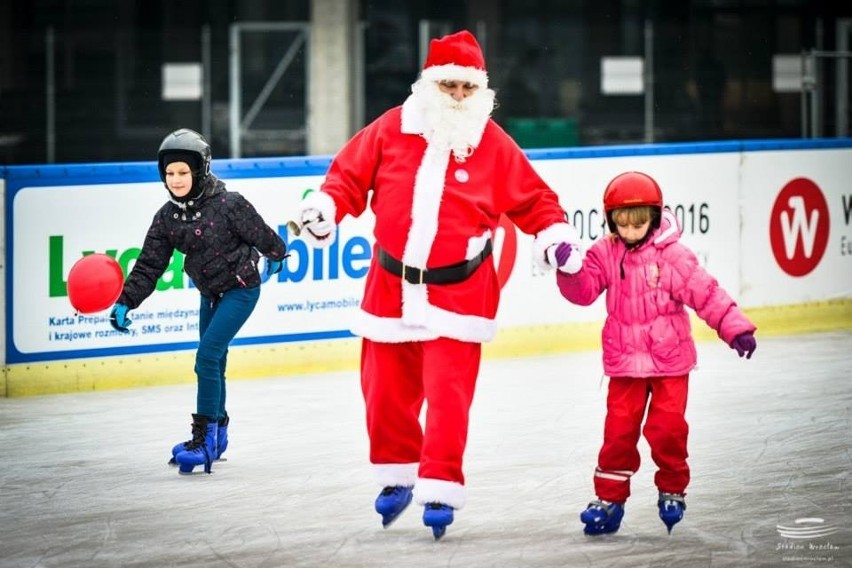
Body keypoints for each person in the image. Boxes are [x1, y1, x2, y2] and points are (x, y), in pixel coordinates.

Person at [292, 30, 581, 539]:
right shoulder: (390, 129)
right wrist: (325, 209)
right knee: (383, 393)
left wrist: (555, 237)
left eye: (469, 88)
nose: (459, 97)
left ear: (481, 90)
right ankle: (397, 474)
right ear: (429, 84)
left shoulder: (492, 143)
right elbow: (346, 180)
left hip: (460, 293)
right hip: (389, 286)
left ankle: (441, 483)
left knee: (448, 399)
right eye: (450, 86)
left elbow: (537, 202)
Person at [550, 171, 757, 535]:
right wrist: (569, 269)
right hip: (625, 365)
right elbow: (583, 292)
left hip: (669, 365)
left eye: (639, 223)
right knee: (617, 434)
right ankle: (609, 500)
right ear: (610, 219)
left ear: (656, 216)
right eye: (621, 224)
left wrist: (735, 326)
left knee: (667, 430)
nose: (630, 231)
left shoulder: (673, 256)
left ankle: (672, 488)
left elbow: (705, 293)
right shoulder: (605, 253)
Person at [108, 128, 288, 475]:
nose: (175, 180)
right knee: (214, 361)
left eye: (183, 172)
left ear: (200, 170)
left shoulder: (229, 204)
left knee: (206, 356)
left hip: (241, 289)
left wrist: (276, 252)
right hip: (210, 294)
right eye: (169, 173)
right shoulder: (167, 217)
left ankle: (203, 438)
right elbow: (149, 263)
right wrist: (126, 301)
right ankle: (217, 436)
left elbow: (261, 233)